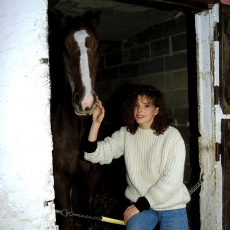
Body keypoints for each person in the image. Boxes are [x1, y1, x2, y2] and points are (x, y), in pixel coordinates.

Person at [84, 85, 190, 230]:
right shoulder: (127, 134)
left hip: (171, 204)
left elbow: (172, 180)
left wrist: (140, 205)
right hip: (141, 205)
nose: (140, 110)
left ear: (156, 110)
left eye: (146, 106)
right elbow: (92, 154)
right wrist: (95, 123)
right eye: (136, 105)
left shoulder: (172, 136)